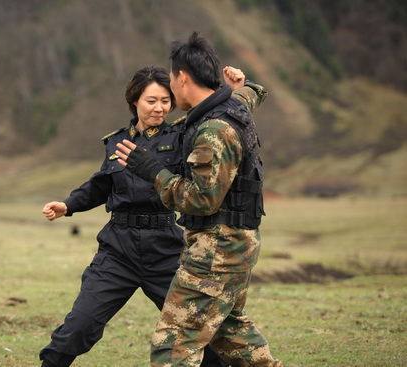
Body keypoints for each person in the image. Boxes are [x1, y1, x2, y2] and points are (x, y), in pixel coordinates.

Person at [39, 65, 265, 367]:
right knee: (80, 325)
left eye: (165, 101)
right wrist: (68, 205)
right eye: (151, 101)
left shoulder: (183, 136)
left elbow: (221, 116)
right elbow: (101, 184)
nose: (159, 108)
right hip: (117, 250)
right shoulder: (116, 142)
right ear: (135, 101)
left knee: (199, 329)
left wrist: (239, 87)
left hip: (165, 248)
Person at [115, 33, 282, 367]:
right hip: (235, 246)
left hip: (217, 252)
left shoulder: (213, 130)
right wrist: (243, 85)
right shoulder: (230, 105)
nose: (170, 93)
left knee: (173, 346)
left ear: (183, 78)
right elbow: (252, 95)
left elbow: (202, 200)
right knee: (232, 338)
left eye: (172, 82)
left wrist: (152, 171)